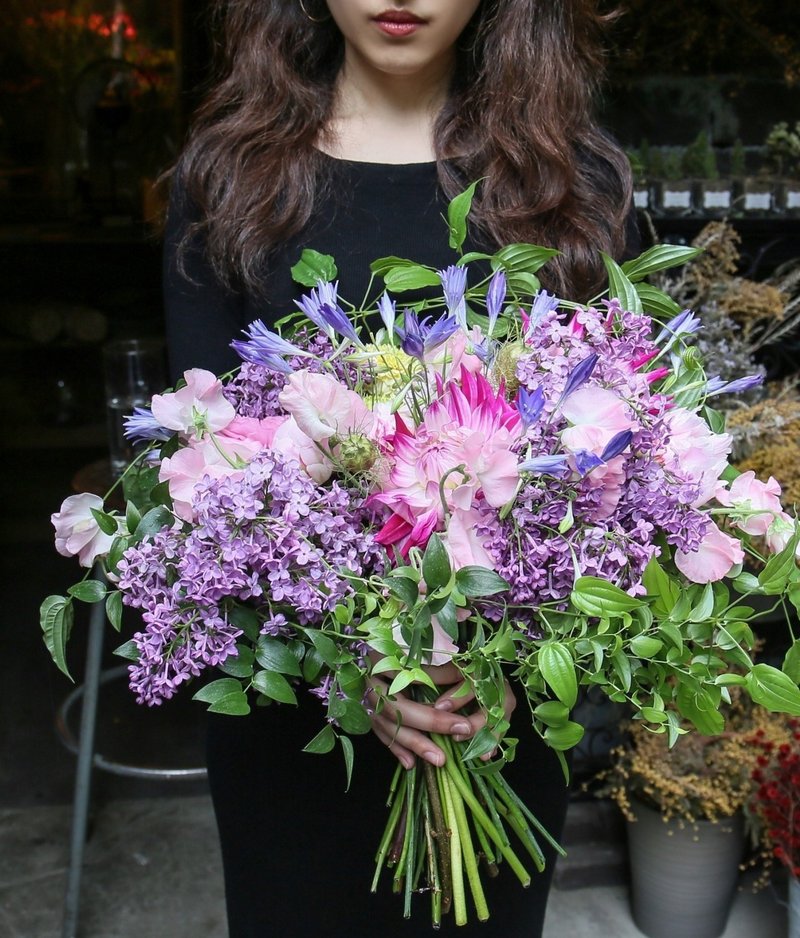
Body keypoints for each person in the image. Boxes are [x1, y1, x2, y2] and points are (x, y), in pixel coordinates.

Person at [163, 2, 638, 935]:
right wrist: (354, 669)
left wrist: (518, 661)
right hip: (293, 729)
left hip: (492, 713)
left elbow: (622, 464)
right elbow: (203, 466)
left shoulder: (570, 183)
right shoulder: (234, 176)